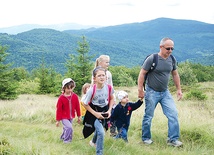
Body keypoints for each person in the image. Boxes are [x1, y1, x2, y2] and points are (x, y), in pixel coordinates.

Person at [138, 37, 183, 147]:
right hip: (151, 91)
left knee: (173, 114)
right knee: (148, 116)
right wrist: (140, 90)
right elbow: (142, 73)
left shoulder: (172, 59)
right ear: (161, 47)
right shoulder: (152, 59)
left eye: (172, 48)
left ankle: (173, 140)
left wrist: (179, 89)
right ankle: (146, 138)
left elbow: (175, 74)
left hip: (165, 92)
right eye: (168, 48)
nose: (170, 51)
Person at [82, 66, 114, 155]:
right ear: (94, 78)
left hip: (104, 111)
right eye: (99, 76)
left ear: (106, 77)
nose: (102, 77)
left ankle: (93, 142)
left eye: (103, 75)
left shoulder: (109, 88)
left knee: (100, 129)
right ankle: (99, 153)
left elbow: (112, 99)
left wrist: (110, 110)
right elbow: (85, 104)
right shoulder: (91, 90)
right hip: (93, 112)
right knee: (101, 132)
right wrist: (95, 114)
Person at [93, 55, 117, 136]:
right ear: (100, 63)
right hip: (99, 98)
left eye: (108, 62)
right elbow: (93, 86)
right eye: (106, 62)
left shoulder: (109, 73)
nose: (108, 64)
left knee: (112, 113)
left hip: (108, 98)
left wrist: (113, 97)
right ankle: (99, 132)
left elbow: (111, 86)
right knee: (101, 116)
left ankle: (112, 131)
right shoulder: (95, 73)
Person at [56, 78, 81, 144]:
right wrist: (58, 120)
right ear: (64, 88)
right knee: (69, 127)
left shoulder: (75, 96)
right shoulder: (61, 98)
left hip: (71, 116)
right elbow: (59, 109)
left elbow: (77, 107)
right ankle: (66, 141)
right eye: (68, 88)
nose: (70, 90)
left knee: (66, 128)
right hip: (64, 117)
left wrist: (79, 116)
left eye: (71, 88)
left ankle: (62, 137)